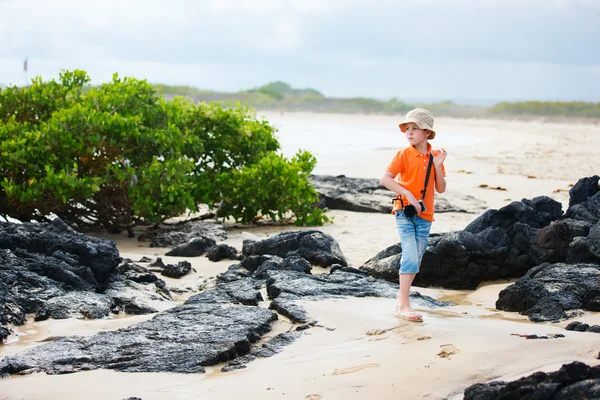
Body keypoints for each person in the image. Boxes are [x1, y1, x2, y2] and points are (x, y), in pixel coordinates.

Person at [380, 108, 447, 322]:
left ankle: (402, 301)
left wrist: (437, 166)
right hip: (404, 212)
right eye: (407, 128)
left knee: (416, 258)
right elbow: (386, 179)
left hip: (426, 216)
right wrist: (407, 194)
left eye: (414, 128)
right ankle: (404, 304)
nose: (409, 132)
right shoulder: (403, 155)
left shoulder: (435, 156)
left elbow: (441, 188)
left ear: (427, 133)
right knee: (410, 255)